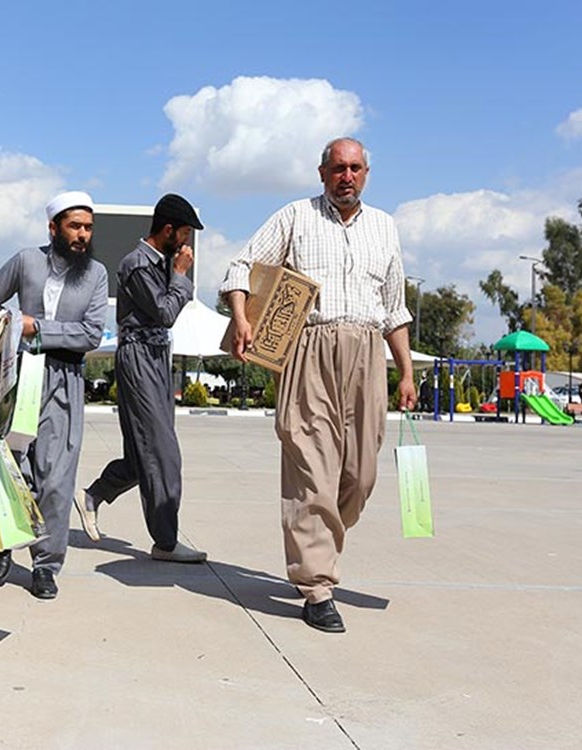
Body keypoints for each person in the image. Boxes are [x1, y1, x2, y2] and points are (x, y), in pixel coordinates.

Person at [219, 137, 416, 634]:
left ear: (366, 173)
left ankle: (319, 536)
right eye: (337, 168)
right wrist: (243, 318)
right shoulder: (295, 217)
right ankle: (317, 586)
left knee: (361, 474)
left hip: (367, 353)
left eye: (354, 168)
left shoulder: (385, 227)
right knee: (311, 466)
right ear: (322, 172)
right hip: (310, 348)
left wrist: (406, 370)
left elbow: (394, 308)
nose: (345, 176)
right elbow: (240, 266)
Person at [0, 191, 109, 599]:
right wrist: (15, 325)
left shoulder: (97, 274)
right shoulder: (24, 261)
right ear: (53, 228)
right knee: (12, 467)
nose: (82, 235)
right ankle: (2, 546)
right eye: (74, 226)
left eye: (87, 227)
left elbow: (90, 333)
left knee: (56, 478)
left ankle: (46, 564)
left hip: (65, 379)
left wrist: (40, 329)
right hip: (18, 374)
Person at [73, 194, 208, 563]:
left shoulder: (162, 263)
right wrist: (180, 277)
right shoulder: (137, 265)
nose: (187, 243)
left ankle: (94, 494)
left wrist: (175, 274)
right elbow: (164, 312)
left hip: (157, 357)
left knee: (141, 454)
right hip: (138, 357)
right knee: (164, 453)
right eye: (183, 233)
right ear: (167, 230)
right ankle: (165, 543)